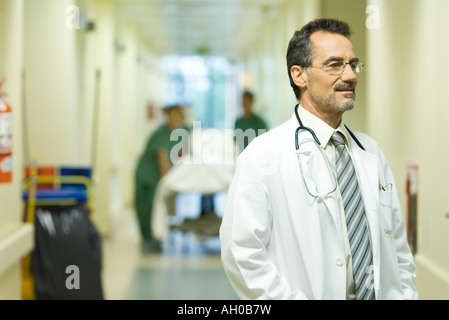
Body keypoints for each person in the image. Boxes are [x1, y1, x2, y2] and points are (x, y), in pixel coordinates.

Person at [219, 18, 418, 300]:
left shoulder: (370, 152)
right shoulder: (262, 156)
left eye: (353, 64)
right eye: (335, 65)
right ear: (299, 75)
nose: (350, 75)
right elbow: (241, 253)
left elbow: (397, 246)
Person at [134, 104, 187, 252]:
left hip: (156, 177)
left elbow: (180, 156)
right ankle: (148, 240)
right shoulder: (160, 134)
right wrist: (170, 182)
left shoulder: (179, 134)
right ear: (167, 116)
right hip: (146, 175)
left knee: (154, 206)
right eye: (173, 115)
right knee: (146, 207)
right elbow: (163, 161)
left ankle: (153, 238)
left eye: (179, 116)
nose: (176, 119)